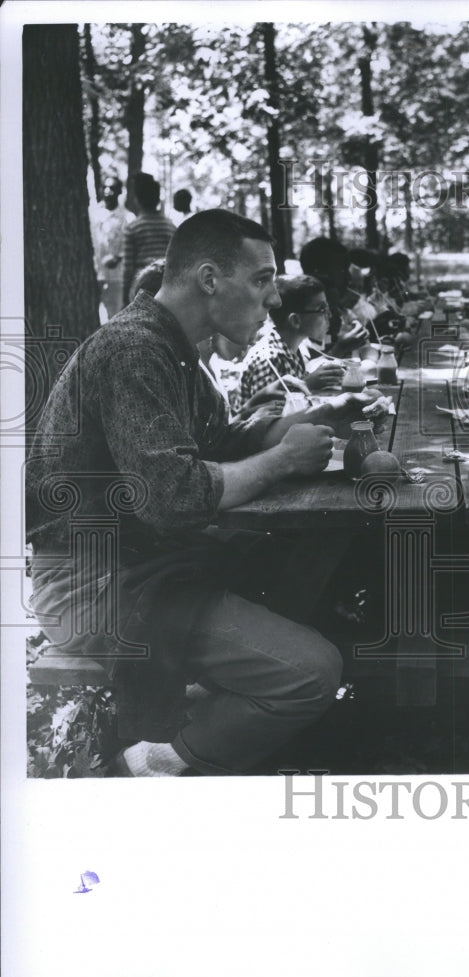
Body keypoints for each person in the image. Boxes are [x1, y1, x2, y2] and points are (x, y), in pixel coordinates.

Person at [27, 209, 386, 777]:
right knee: (311, 670)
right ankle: (148, 765)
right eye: (262, 279)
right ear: (210, 279)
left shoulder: (175, 347)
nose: (273, 299)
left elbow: (219, 441)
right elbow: (173, 494)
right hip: (90, 584)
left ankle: (219, 715)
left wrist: (321, 414)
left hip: (144, 564)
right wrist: (282, 459)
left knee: (312, 575)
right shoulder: (132, 350)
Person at [239, 275, 345, 409]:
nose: (329, 315)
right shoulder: (268, 360)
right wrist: (307, 384)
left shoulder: (296, 347)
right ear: (295, 321)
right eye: (322, 310)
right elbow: (269, 421)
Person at [299, 236, 369, 356]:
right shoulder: (302, 317)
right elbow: (310, 370)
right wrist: (340, 348)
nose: (349, 278)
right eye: (342, 270)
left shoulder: (336, 310)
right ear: (318, 272)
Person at [121, 172, 177, 301]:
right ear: (157, 199)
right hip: (166, 290)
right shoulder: (170, 227)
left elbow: (128, 269)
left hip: (140, 290)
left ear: (137, 199)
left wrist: (125, 297)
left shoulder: (133, 228)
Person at [90, 175, 133, 319]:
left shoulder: (128, 218)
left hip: (117, 278)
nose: (108, 191)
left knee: (114, 317)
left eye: (113, 188)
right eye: (105, 187)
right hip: (94, 275)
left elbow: (131, 247)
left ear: (120, 191)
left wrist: (118, 257)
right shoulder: (93, 214)